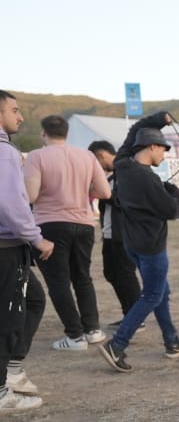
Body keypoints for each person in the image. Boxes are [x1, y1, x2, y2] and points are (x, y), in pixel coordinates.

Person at [98, 115, 179, 373]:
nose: (164, 155)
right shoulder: (147, 179)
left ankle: (172, 341)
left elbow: (134, 130)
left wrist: (158, 120)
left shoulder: (122, 164)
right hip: (151, 246)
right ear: (152, 147)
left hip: (132, 244)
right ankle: (117, 345)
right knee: (153, 295)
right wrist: (173, 191)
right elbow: (171, 210)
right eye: (163, 149)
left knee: (161, 293)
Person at [23, 115, 111, 351]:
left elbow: (30, 196)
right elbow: (104, 192)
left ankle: (74, 336)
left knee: (58, 282)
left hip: (49, 224)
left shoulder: (36, 156)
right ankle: (92, 329)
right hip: (83, 224)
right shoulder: (87, 156)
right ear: (67, 133)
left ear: (44, 133)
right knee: (82, 278)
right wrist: (81, 189)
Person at [0, 90, 52, 412]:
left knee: (32, 300)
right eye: (15, 110)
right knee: (10, 314)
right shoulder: (4, 152)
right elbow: (10, 203)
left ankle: (13, 370)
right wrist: (36, 238)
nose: (20, 117)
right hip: (6, 247)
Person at [89, 140, 142, 328]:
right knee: (111, 273)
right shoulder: (111, 178)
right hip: (110, 234)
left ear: (101, 155)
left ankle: (136, 318)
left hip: (125, 234)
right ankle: (129, 313)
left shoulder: (127, 173)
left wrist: (105, 195)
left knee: (126, 274)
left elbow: (126, 202)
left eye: (95, 159)